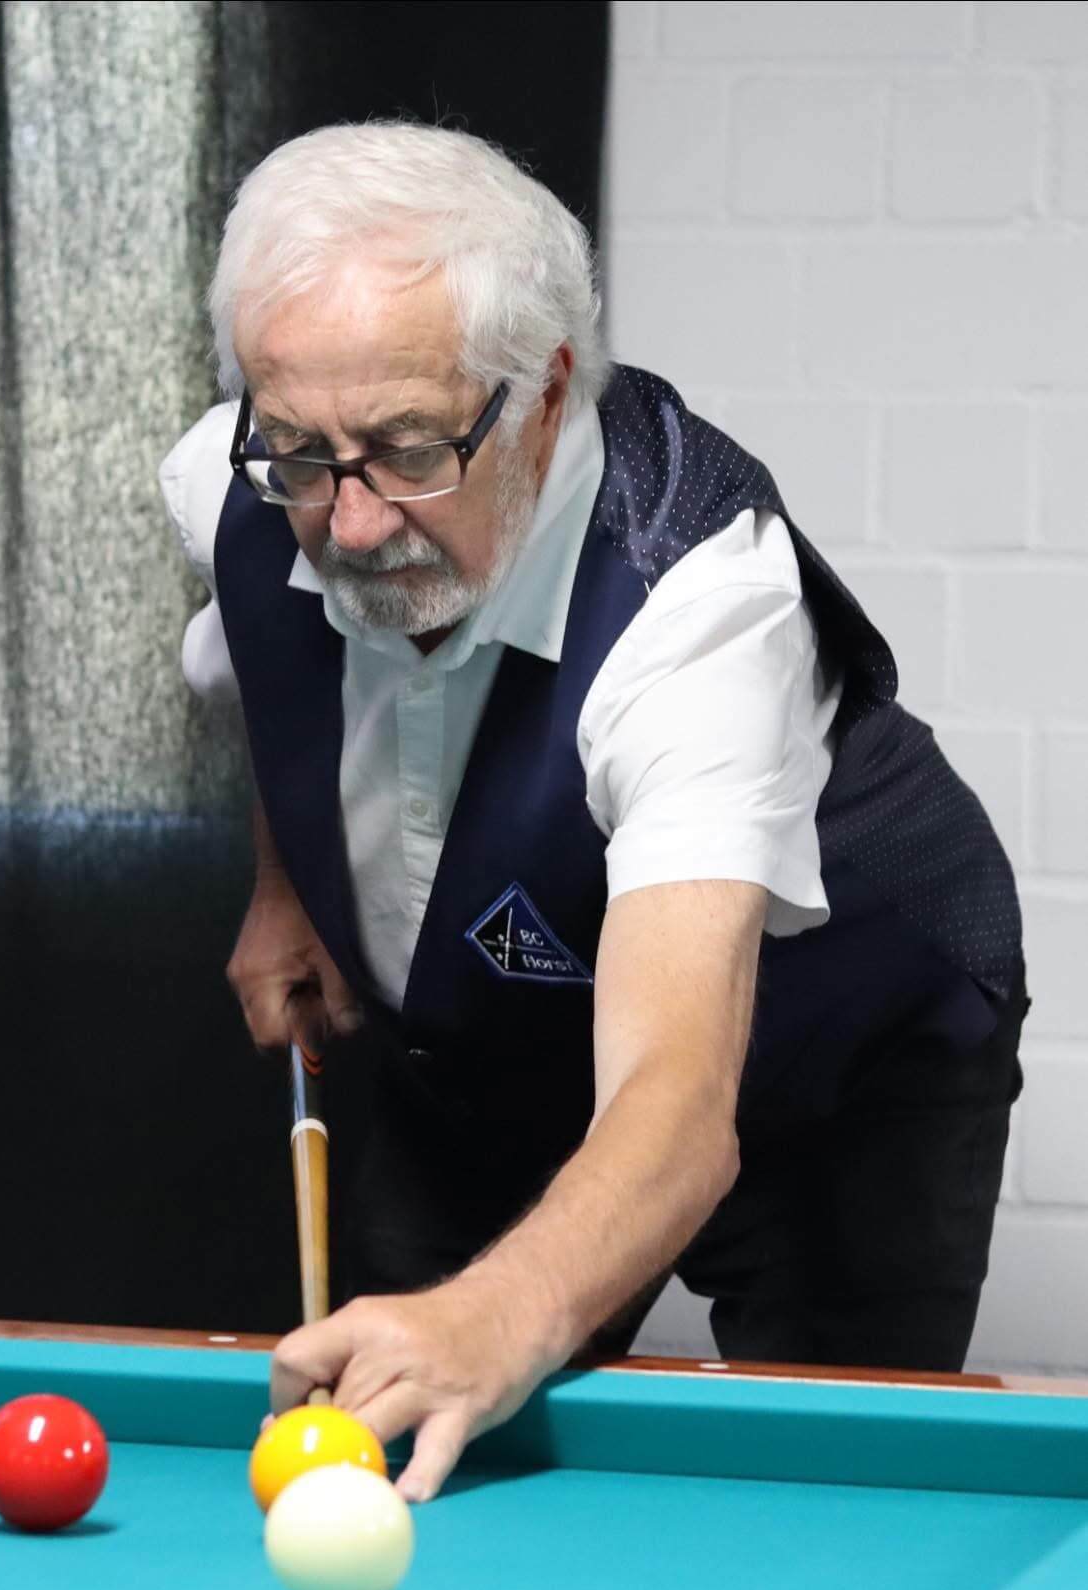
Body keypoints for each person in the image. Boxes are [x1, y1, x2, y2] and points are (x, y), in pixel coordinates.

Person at [160, 122, 1026, 1504]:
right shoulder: (243, 476)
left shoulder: (699, 606)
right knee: (401, 1412)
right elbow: (265, 655)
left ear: (548, 387)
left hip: (829, 1061)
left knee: (820, 1504)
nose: (355, 521)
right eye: (303, 453)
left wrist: (500, 1322)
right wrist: (288, 884)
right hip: (497, 1038)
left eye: (407, 449)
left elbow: (678, 1102)